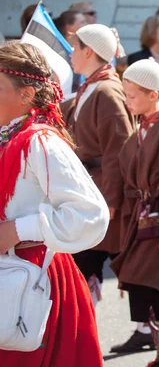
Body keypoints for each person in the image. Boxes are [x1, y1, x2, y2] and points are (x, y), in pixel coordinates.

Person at [0, 41, 109, 366]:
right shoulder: (7, 136)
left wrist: (18, 229)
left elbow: (90, 215)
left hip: (35, 283)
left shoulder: (41, 142)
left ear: (26, 94)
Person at [109, 59, 159, 365]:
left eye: (133, 95)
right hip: (142, 215)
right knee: (139, 278)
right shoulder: (144, 125)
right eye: (126, 95)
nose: (128, 101)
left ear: (154, 94)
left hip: (158, 218)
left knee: (149, 278)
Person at [61, 23, 135, 306]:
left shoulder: (106, 90)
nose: (70, 53)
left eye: (74, 48)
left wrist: (112, 198)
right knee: (84, 265)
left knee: (136, 273)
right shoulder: (91, 86)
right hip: (90, 186)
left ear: (88, 51)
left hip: (103, 190)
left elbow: (119, 149)